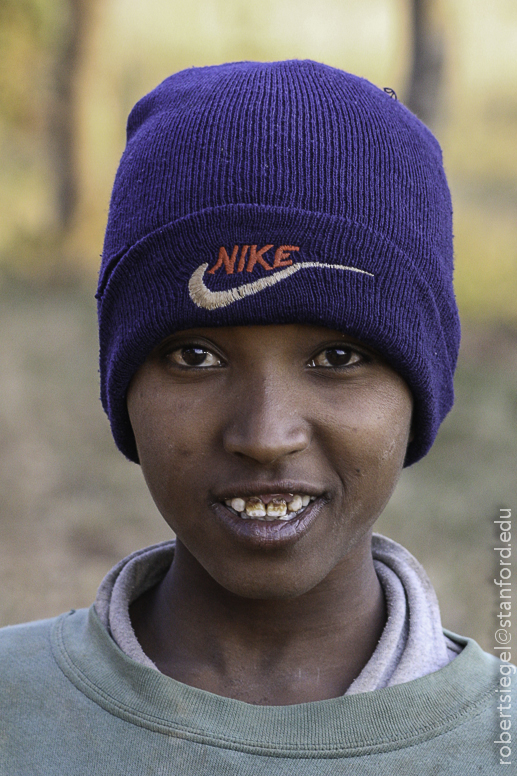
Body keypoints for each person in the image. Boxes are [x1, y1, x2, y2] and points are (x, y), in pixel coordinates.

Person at [0, 59, 511, 773]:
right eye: (195, 356)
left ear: (420, 390)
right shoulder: (15, 713)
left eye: (336, 358)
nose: (266, 436)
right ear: (123, 388)